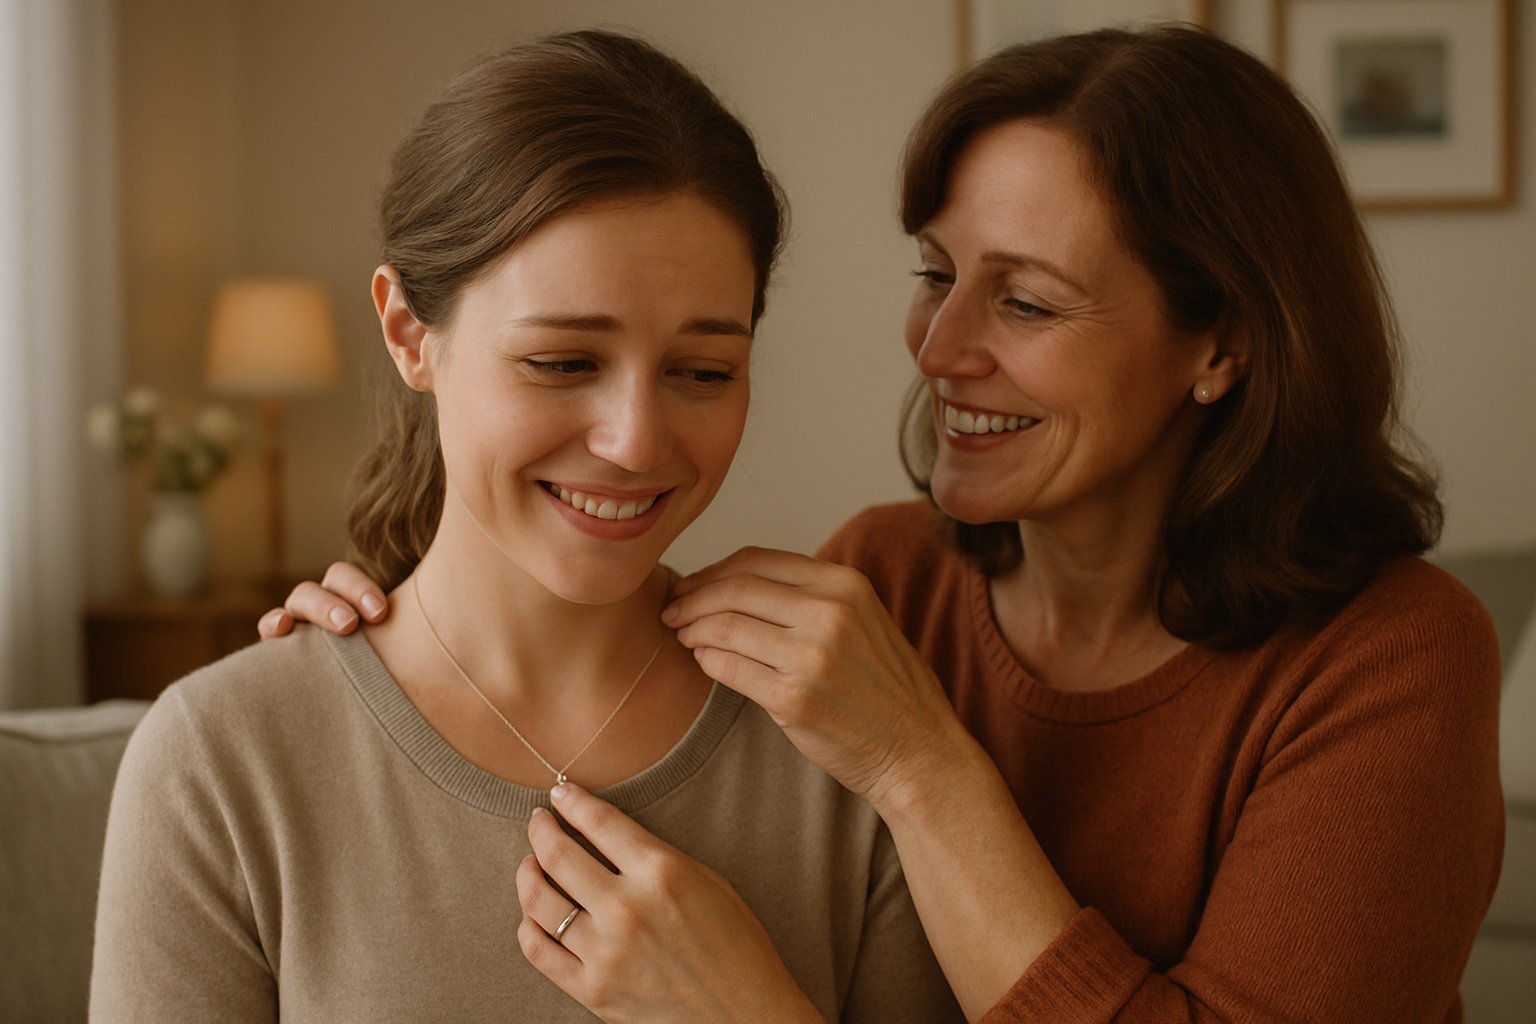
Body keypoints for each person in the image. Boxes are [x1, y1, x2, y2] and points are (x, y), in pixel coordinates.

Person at [262, 25, 1504, 1024]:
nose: (942, 347)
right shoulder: (879, 578)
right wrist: (375, 652)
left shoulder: (1393, 659)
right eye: (934, 273)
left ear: (1221, 344)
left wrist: (921, 770)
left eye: (1023, 300)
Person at [90, 29, 964, 1024]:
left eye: (702, 371)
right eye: (562, 362)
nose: (637, 441)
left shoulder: (840, 746)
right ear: (410, 333)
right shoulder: (222, 759)